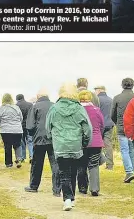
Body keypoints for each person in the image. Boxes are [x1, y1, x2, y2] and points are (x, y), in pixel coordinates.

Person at [46, 82, 92, 211]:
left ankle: (67, 198)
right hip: (76, 144)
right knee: (73, 172)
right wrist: (85, 142)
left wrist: (53, 138)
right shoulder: (79, 109)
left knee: (64, 172)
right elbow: (87, 128)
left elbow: (47, 127)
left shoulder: (54, 108)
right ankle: (70, 199)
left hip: (60, 144)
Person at [25, 88, 60, 196]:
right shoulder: (54, 106)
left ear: (38, 96)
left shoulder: (35, 106)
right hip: (53, 138)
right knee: (55, 164)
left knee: (37, 164)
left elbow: (30, 125)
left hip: (39, 138)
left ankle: (33, 186)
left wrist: (32, 135)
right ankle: (57, 190)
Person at [77, 90, 104, 196]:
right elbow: (102, 125)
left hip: (81, 142)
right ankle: (94, 188)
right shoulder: (96, 110)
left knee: (81, 165)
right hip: (96, 142)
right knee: (94, 165)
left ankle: (82, 187)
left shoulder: (78, 111)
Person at [111, 78, 134, 182]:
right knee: (132, 150)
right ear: (132, 85)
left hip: (122, 127)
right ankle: (131, 171)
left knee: (124, 150)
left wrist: (117, 123)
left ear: (122, 85)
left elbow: (112, 114)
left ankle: (129, 171)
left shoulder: (117, 97)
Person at [0, 93, 24, 168]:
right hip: (17, 130)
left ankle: (9, 163)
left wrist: (2, 125)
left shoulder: (1, 108)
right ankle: (18, 159)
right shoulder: (16, 107)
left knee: (7, 146)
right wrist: (17, 125)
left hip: (6, 131)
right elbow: (21, 118)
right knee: (18, 145)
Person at [94, 86, 115, 169]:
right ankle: (110, 165)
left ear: (99, 90)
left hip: (100, 125)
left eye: (95, 90)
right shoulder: (111, 99)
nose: (95, 92)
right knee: (108, 144)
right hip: (109, 124)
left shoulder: (97, 99)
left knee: (96, 143)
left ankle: (98, 162)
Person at [15, 93, 34, 164]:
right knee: (30, 141)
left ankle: (22, 157)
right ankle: (31, 156)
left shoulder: (16, 106)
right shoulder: (30, 105)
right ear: (23, 97)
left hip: (20, 126)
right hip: (29, 125)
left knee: (22, 142)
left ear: (17, 99)